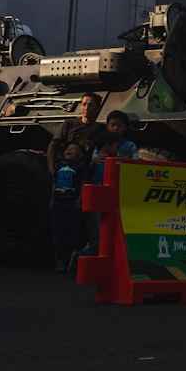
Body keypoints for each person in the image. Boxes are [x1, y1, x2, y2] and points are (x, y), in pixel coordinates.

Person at [69, 131, 121, 273]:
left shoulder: (98, 160)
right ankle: (82, 257)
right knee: (107, 237)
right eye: (115, 147)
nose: (117, 150)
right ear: (107, 146)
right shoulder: (106, 162)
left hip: (102, 202)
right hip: (104, 203)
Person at [50, 141, 87, 273]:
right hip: (58, 201)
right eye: (67, 149)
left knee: (74, 231)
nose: (69, 150)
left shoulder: (80, 166)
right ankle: (60, 260)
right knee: (58, 232)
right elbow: (54, 183)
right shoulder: (58, 165)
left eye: (73, 149)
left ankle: (76, 259)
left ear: (81, 154)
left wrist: (80, 198)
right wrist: (52, 199)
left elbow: (83, 182)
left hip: (72, 201)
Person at [47, 92, 103, 174]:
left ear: (98, 108)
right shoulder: (69, 124)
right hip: (66, 170)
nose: (86, 108)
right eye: (84, 104)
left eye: (90, 105)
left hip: (86, 171)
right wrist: (51, 167)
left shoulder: (100, 129)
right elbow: (53, 145)